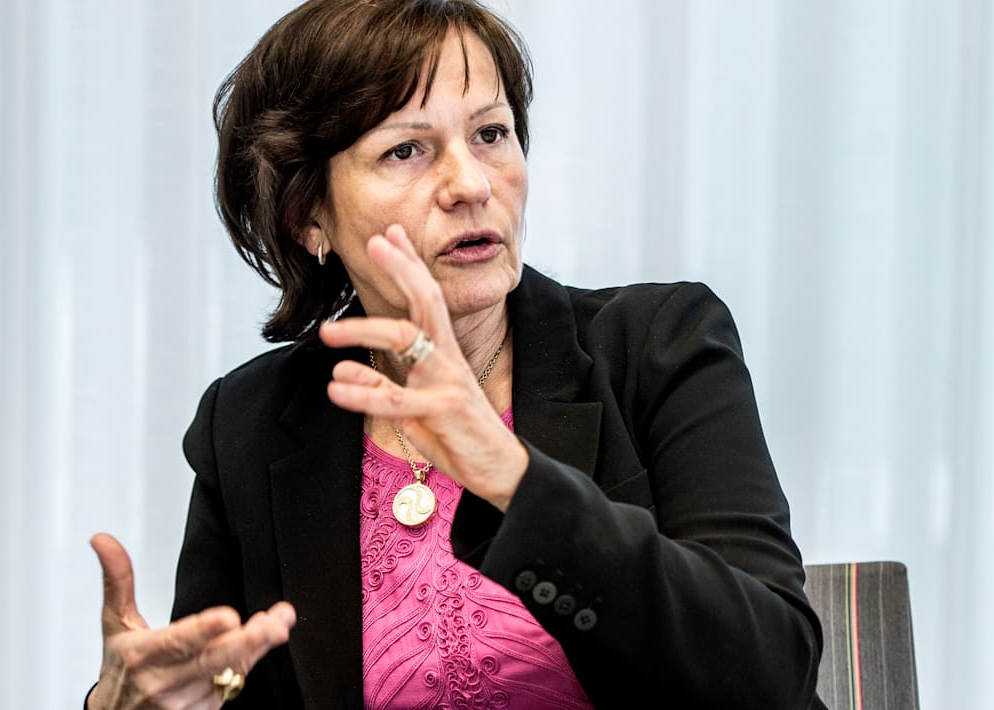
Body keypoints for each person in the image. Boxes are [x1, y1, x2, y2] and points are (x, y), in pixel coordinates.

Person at [87, 1, 823, 708]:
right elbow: (213, 684)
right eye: (405, 150)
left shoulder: (658, 343)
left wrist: (512, 477)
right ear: (308, 214)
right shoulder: (248, 424)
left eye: (491, 134)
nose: (471, 185)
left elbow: (773, 672)